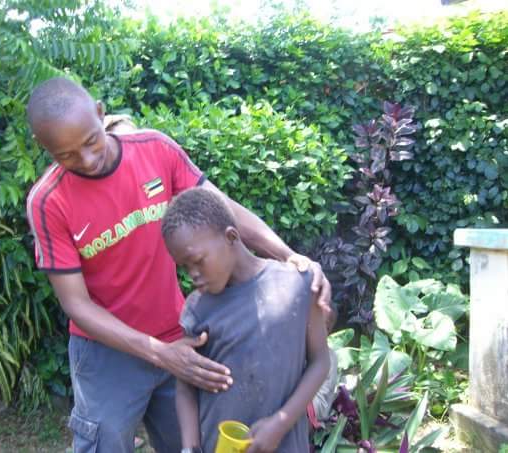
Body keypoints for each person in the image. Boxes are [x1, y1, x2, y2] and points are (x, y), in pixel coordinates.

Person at [25, 77, 331, 453]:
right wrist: (156, 352)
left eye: (91, 141)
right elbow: (77, 305)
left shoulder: (155, 149)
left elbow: (222, 209)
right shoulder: (48, 202)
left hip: (179, 336)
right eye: (67, 155)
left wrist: (289, 255)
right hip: (106, 353)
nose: (87, 160)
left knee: (190, 442)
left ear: (101, 113)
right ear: (45, 148)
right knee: (104, 442)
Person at [162, 187, 330, 453]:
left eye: (197, 261)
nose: (192, 275)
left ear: (231, 236)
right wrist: (189, 447)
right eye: (184, 267)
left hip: (283, 444)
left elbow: (321, 362)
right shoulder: (197, 308)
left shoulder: (299, 285)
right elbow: (185, 387)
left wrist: (281, 421)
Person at [308, 305, 339, 429]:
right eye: (316, 322)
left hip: (310, 415)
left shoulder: (329, 358)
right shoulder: (296, 348)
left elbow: (322, 404)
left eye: (326, 326)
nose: (319, 329)